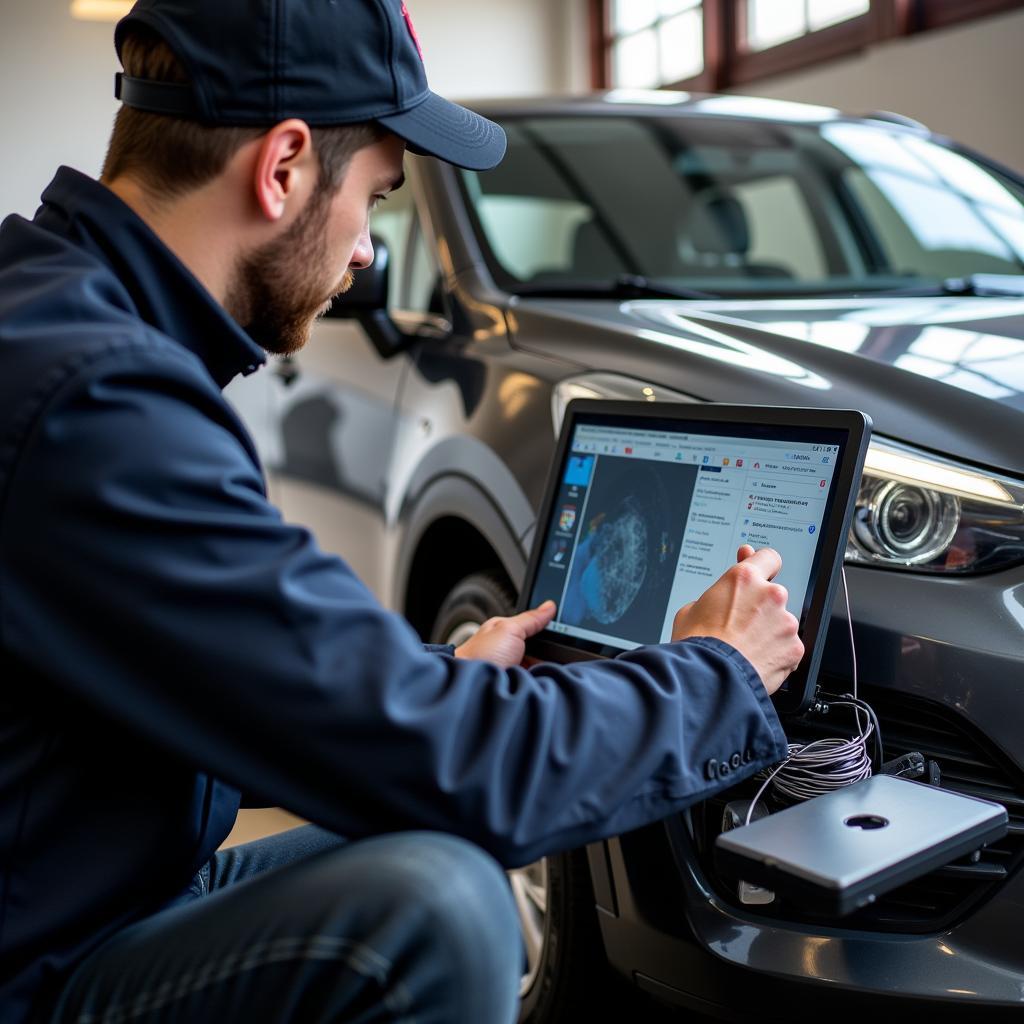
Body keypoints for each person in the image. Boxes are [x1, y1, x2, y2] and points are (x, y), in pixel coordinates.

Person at [0, 2, 802, 1021]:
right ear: (283, 165)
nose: (368, 251)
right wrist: (715, 678)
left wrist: (431, 687)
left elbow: (217, 680)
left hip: (75, 894)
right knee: (440, 905)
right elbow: (456, 768)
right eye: (375, 198)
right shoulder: (95, 399)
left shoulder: (56, 315)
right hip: (42, 962)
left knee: (429, 827)